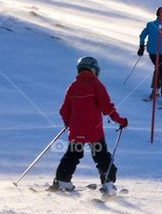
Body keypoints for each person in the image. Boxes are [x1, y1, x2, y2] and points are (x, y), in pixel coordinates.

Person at [52, 56, 128, 194]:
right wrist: (121, 121)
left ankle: (62, 180)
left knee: (72, 155)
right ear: (93, 69)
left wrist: (68, 123)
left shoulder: (72, 87)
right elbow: (107, 107)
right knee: (101, 156)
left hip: (76, 131)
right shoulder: (96, 84)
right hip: (94, 131)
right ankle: (108, 184)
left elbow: (63, 110)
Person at [138, 6, 162, 106]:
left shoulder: (150, 25)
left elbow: (142, 35)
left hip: (152, 53)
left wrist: (141, 46)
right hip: (161, 54)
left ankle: (155, 90)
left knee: (157, 69)